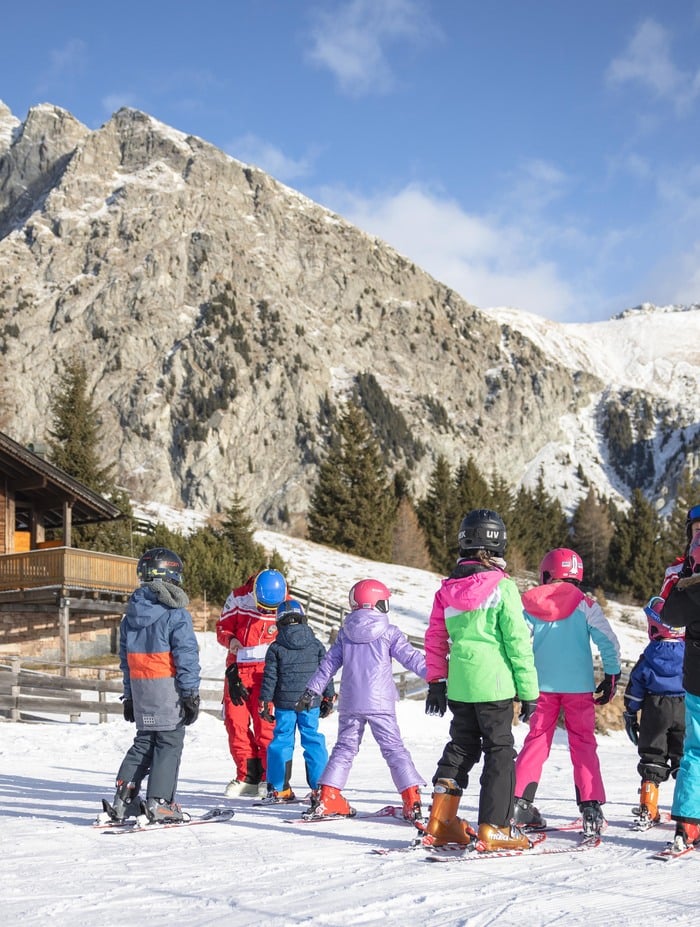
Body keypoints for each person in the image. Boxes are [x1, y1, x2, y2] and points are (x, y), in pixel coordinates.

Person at [422, 509, 540, 852]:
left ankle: (441, 821)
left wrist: (436, 682)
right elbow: (518, 643)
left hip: (461, 685)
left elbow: (435, 638)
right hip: (495, 686)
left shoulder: (447, 590)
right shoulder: (503, 588)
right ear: (499, 543)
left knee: (461, 746)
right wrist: (529, 692)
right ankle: (496, 826)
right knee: (499, 751)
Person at [295, 578, 427, 823]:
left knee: (344, 748)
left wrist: (310, 691)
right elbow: (413, 660)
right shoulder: (389, 633)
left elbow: (328, 666)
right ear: (377, 603)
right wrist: (441, 676)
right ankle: (412, 799)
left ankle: (329, 796)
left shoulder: (345, 634)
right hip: (380, 704)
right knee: (393, 749)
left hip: (351, 702)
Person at [512, 548, 622, 838]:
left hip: (540, 688)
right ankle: (590, 806)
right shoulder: (586, 604)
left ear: (547, 572)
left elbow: (517, 642)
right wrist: (611, 674)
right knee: (583, 743)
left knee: (536, 740)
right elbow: (607, 640)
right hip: (579, 689)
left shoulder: (530, 603)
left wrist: (516, 679)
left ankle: (518, 801)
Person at [102, 547, 201, 824]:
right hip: (167, 690)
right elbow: (186, 656)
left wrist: (130, 696)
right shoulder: (175, 614)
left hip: (143, 691)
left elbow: (126, 661)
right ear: (172, 576)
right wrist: (191, 693)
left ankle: (124, 800)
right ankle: (160, 802)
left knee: (144, 743)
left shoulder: (130, 616)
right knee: (169, 743)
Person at [216, 568, 287, 797]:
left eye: (270, 609)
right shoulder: (237, 598)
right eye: (262, 606)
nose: (266, 611)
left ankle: (269, 776)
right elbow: (222, 628)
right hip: (238, 669)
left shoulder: (290, 604)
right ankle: (247, 776)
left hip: (268, 673)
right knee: (235, 723)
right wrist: (232, 640)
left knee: (266, 725)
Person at [258, 599, 335, 802]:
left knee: (282, 740)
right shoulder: (316, 644)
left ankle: (279, 789)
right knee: (313, 739)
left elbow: (270, 677)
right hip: (311, 701)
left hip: (284, 703)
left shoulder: (276, 647)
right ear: (303, 619)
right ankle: (321, 789)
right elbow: (325, 672)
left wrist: (265, 701)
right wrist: (328, 696)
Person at [622, 597, 685, 826]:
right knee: (686, 760)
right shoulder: (690, 652)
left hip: (654, 709)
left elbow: (636, 686)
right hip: (684, 707)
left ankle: (648, 807)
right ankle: (686, 816)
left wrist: (630, 713)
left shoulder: (649, 655)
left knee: (653, 756)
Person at [661, 533, 700, 850]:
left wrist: (683, 579)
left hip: (697, 683)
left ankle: (687, 824)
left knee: (695, 752)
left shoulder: (690, 592)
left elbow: (667, 616)